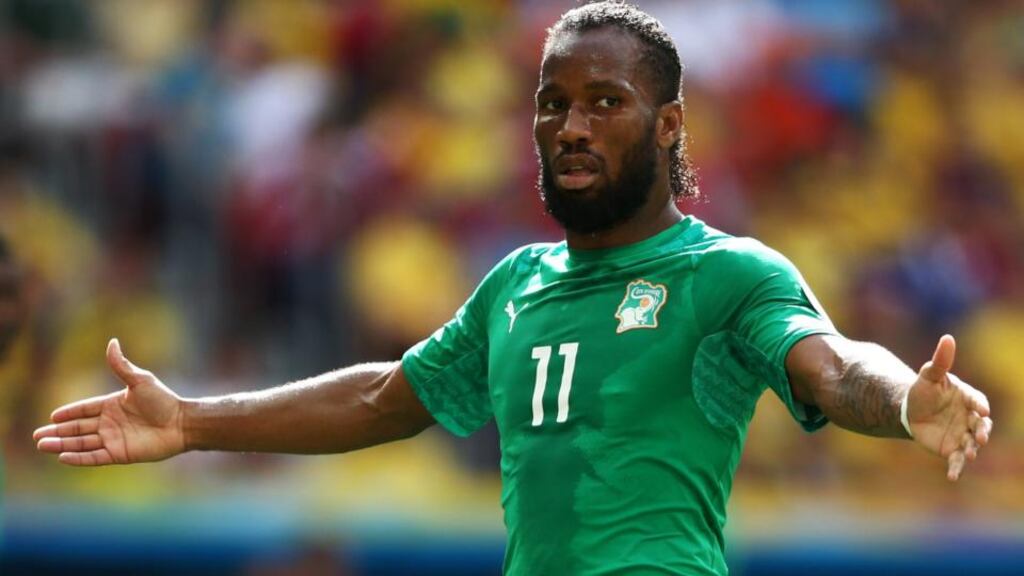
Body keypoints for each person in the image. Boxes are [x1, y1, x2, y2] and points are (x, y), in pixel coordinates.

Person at [34, 3, 993, 575]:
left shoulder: (727, 273)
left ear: (669, 127)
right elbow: (382, 397)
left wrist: (906, 400)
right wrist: (196, 423)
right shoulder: (514, 285)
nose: (572, 127)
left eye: (606, 103)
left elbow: (831, 368)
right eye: (554, 104)